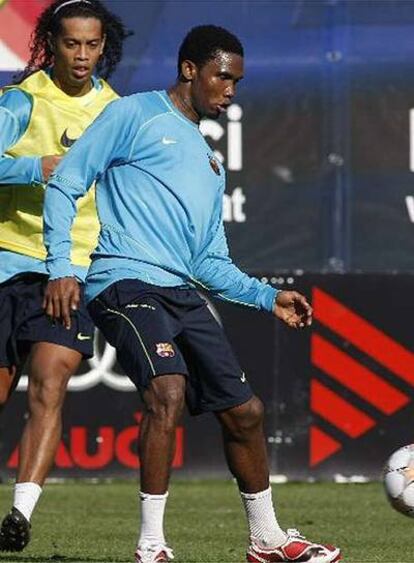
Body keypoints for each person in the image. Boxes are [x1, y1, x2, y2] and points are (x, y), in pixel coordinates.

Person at [43, 25, 342, 563]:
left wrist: (266, 297)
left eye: (237, 81)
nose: (230, 89)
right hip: (124, 281)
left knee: (246, 412)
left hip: (179, 292)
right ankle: (151, 545)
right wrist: (61, 266)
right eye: (222, 76)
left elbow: (208, 261)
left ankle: (267, 540)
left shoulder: (209, 164)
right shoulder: (134, 114)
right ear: (189, 69)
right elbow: (67, 182)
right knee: (168, 391)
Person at [0, 0, 130, 552]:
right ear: (51, 43)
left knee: (51, 383)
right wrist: (37, 167)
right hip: (9, 260)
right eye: (71, 43)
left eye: (91, 45)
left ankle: (20, 516)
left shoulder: (117, 110)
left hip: (72, 269)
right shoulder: (21, 100)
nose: (81, 56)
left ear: (105, 46)